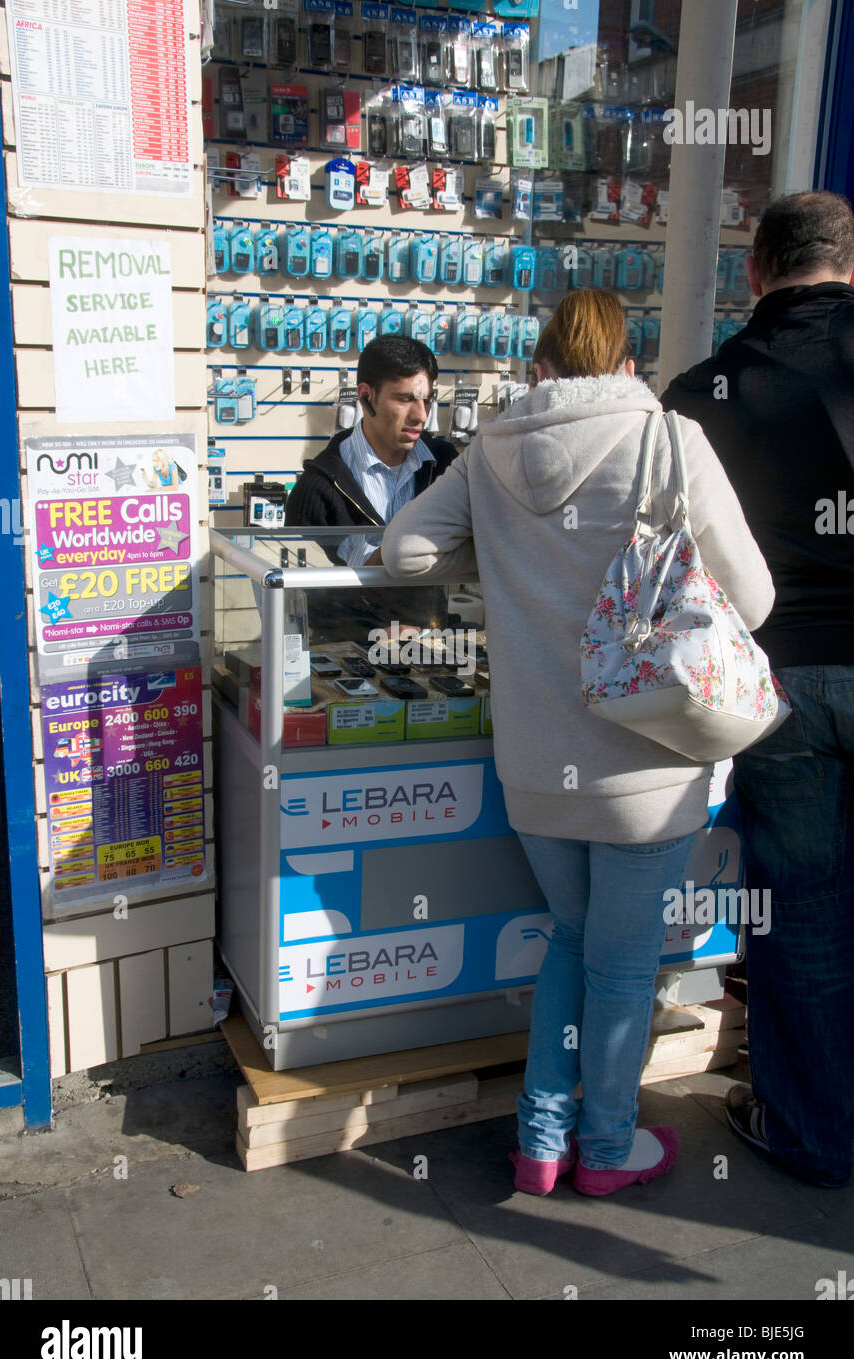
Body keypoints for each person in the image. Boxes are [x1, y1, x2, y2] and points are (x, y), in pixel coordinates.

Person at [381, 289, 774, 1196]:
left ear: (542, 368)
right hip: (648, 757)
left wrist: (501, 561)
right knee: (625, 961)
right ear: (626, 365)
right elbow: (749, 602)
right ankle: (603, 1151)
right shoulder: (668, 441)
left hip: (533, 763)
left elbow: (404, 553)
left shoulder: (488, 453)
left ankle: (540, 1145)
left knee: (570, 938)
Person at [661, 191, 854, 1188]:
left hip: (776, 681)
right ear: (847, 263)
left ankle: (814, 1133)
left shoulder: (705, 391)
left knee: (801, 910)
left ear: (753, 270)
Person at [284, 336, 458, 642]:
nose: (421, 415)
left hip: (431, 654)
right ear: (366, 396)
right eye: (405, 399)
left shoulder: (447, 467)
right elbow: (304, 602)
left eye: (426, 399)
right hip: (349, 663)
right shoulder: (316, 490)